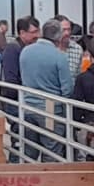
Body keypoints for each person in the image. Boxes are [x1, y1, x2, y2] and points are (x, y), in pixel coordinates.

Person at [19, 19, 73, 161]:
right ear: (60, 36)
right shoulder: (59, 56)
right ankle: (49, 180)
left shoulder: (25, 51)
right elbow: (67, 89)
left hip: (28, 105)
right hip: (50, 108)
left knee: (29, 150)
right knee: (52, 150)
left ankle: (29, 180)